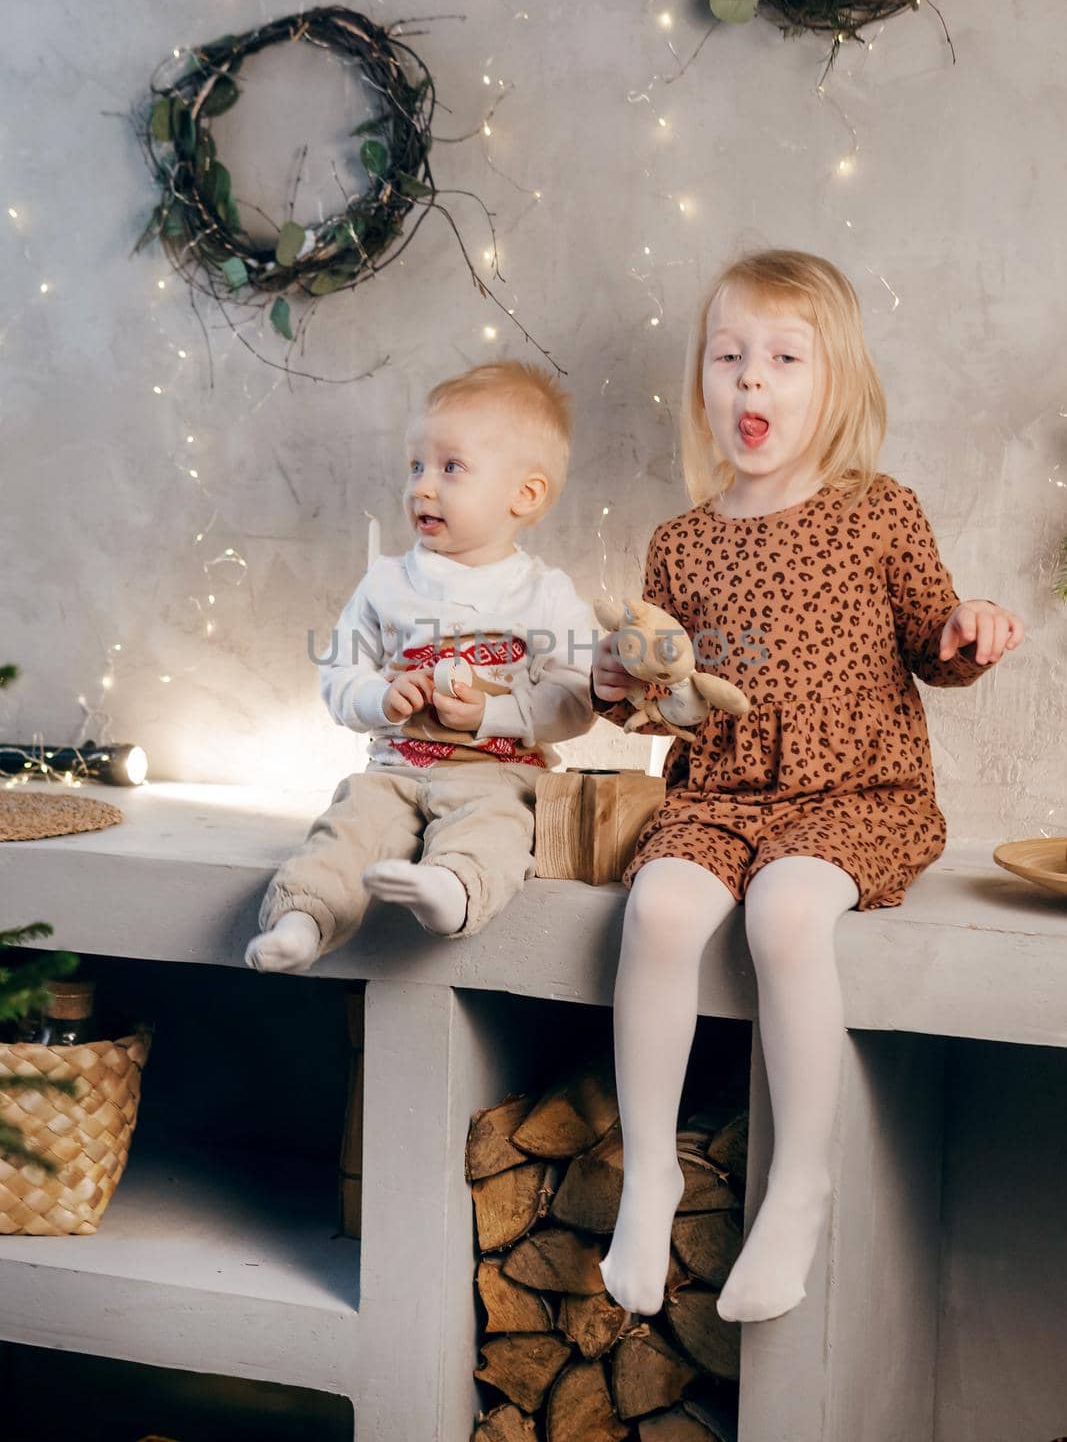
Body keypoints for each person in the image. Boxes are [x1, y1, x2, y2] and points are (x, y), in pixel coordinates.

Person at [590, 248, 1025, 1325]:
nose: (752, 380)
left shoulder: (877, 510)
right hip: (719, 797)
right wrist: (617, 687)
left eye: (784, 357)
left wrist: (971, 633)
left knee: (787, 913)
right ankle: (650, 1174)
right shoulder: (680, 542)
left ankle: (799, 1183)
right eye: (729, 356)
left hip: (854, 795)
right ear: (701, 379)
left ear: (832, 384)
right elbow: (667, 693)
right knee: (657, 909)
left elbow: (934, 640)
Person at [245, 360, 599, 974]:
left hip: (496, 774)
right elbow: (340, 668)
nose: (422, 488)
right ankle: (302, 920)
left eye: (450, 467)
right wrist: (380, 699)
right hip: (396, 768)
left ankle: (453, 890)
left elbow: (576, 699)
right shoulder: (387, 581)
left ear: (525, 493)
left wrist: (494, 711)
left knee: (498, 830)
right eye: (416, 466)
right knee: (348, 826)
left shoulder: (542, 594)